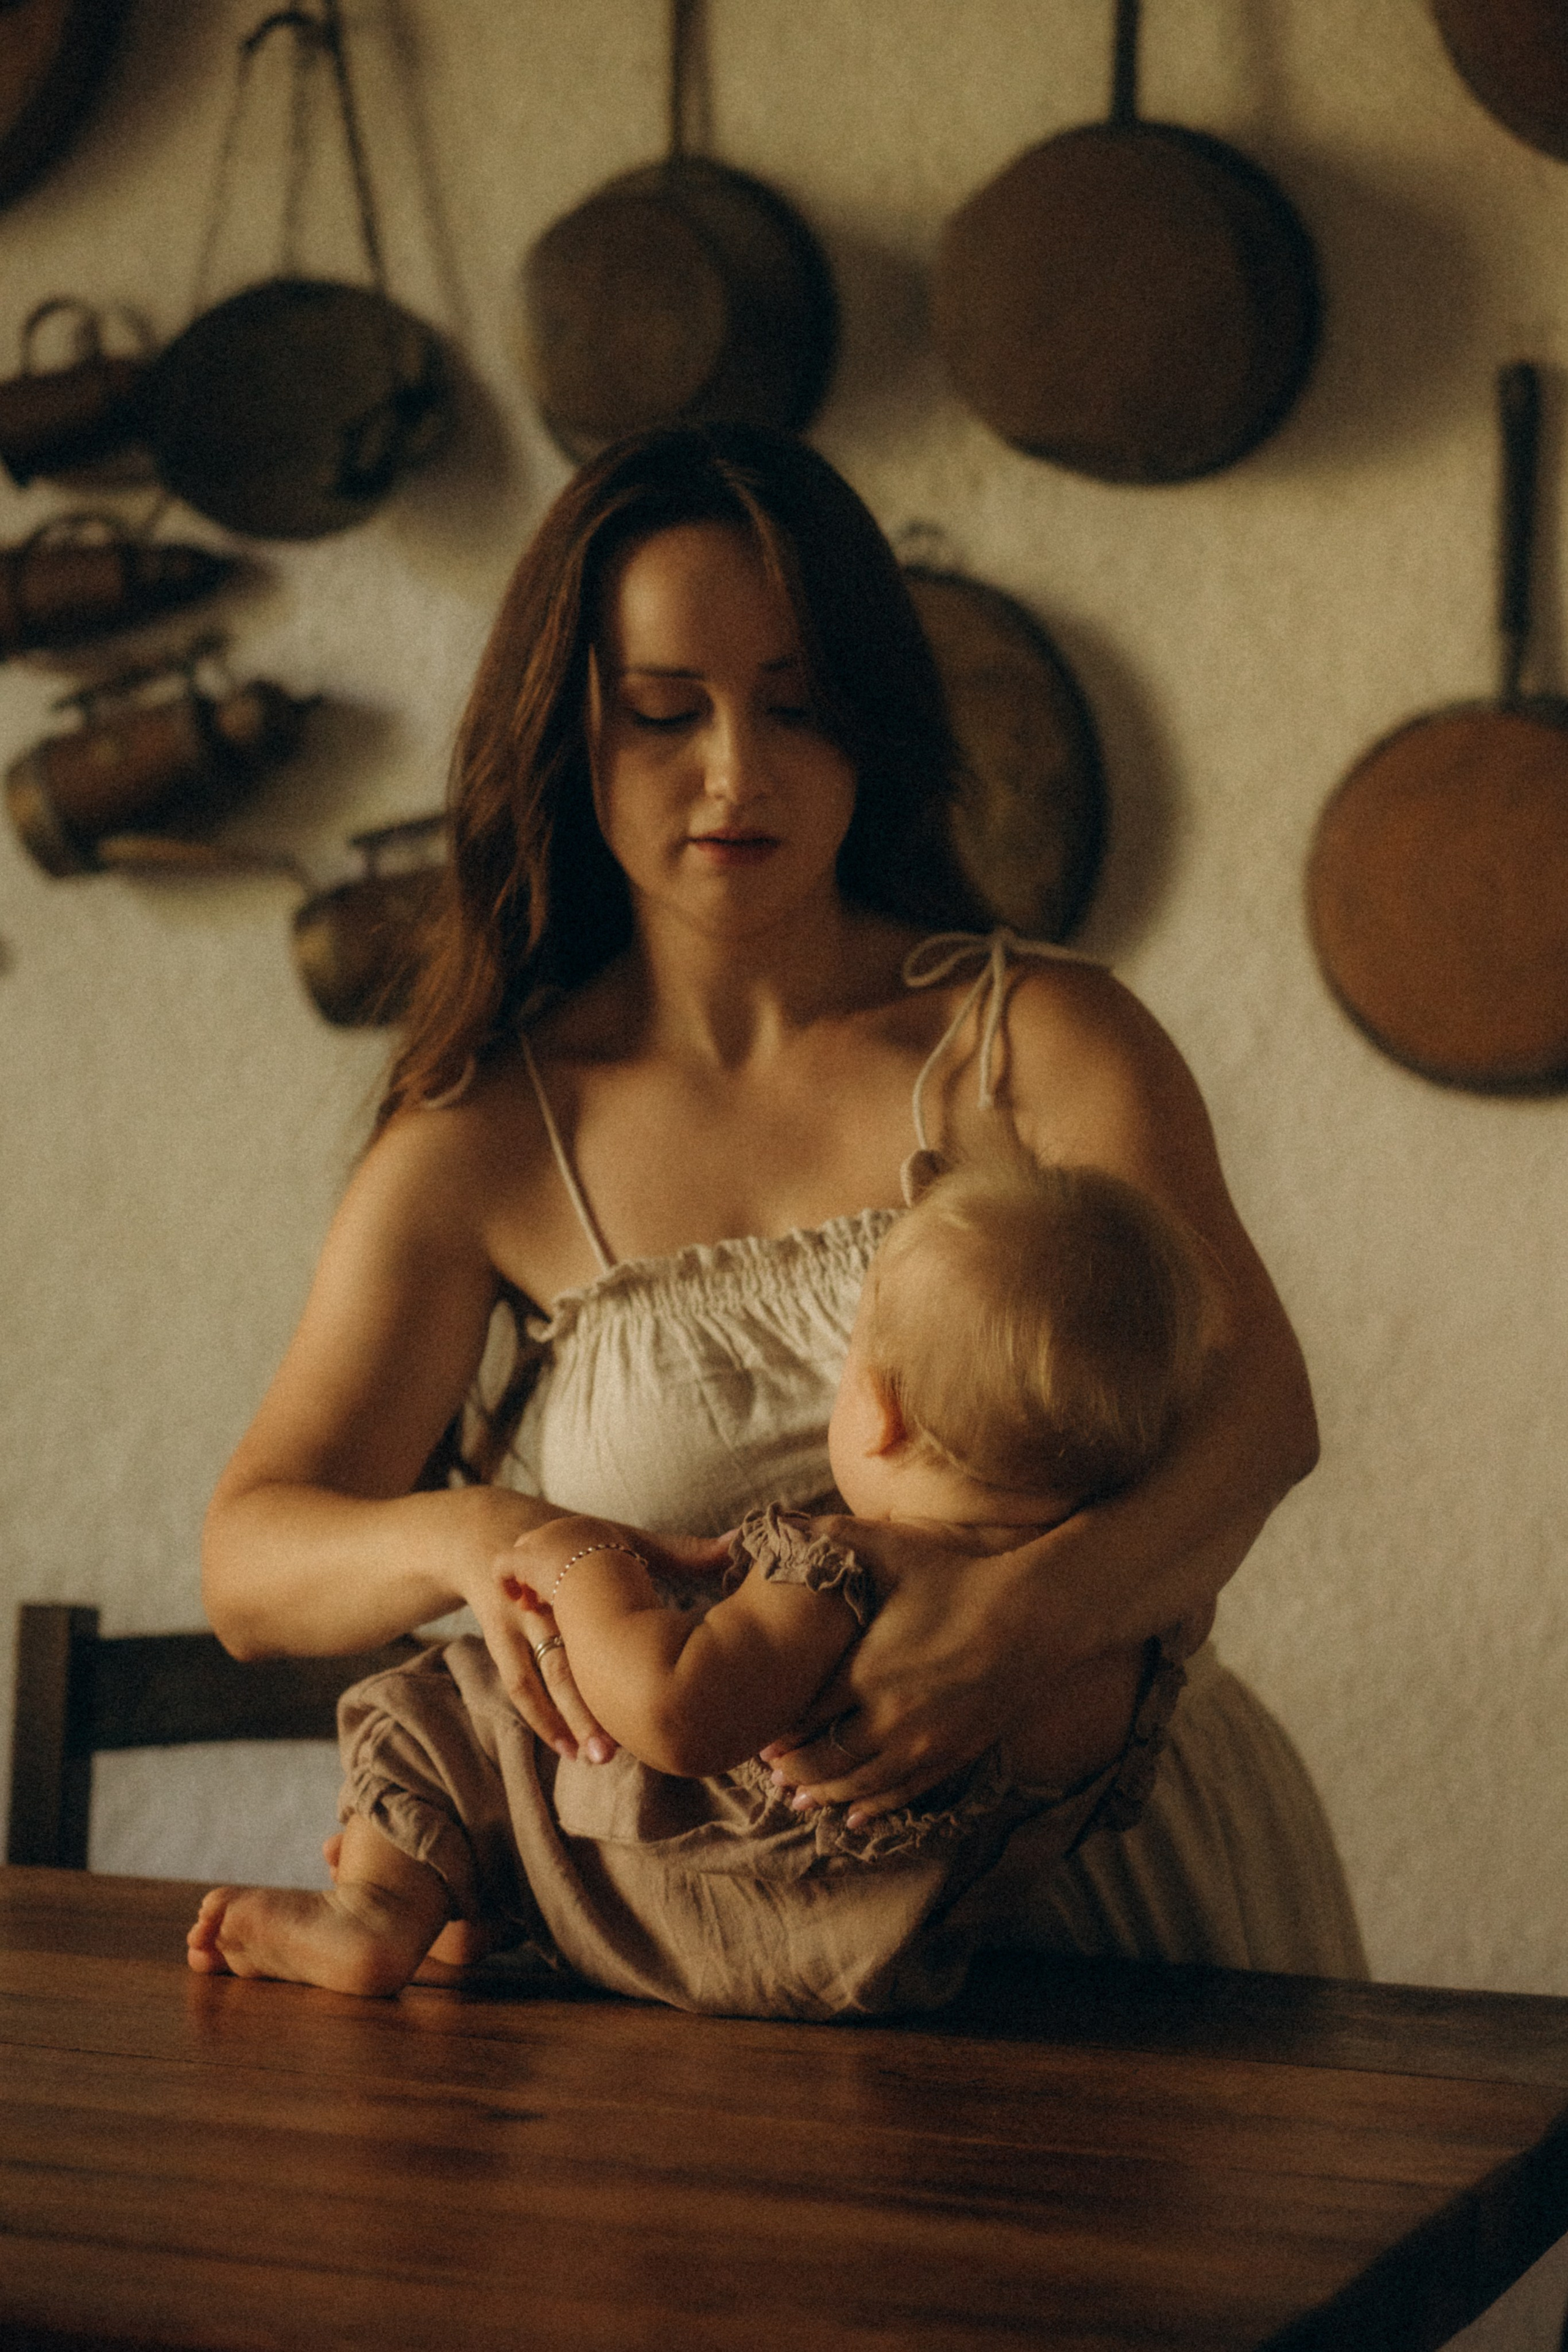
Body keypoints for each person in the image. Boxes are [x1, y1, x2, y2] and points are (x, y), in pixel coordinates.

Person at [198, 421, 1365, 1986]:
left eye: (798, 709)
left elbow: (1259, 1420)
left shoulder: (1038, 1047)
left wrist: (1018, 1625)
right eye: (665, 714)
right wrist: (493, 1539)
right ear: (566, 737)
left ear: (869, 733)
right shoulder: (484, 1138)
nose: (736, 772)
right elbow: (252, 1565)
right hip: (735, 1978)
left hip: (1113, 1901)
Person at [189, 1148, 1207, 2015]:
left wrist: (579, 1559)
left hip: (692, 1914)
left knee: (456, 1700)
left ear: (880, 1411)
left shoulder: (840, 1565)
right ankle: (476, 1895)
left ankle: (376, 1911)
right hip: (893, 1972)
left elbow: (674, 1712)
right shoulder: (1130, 1647)